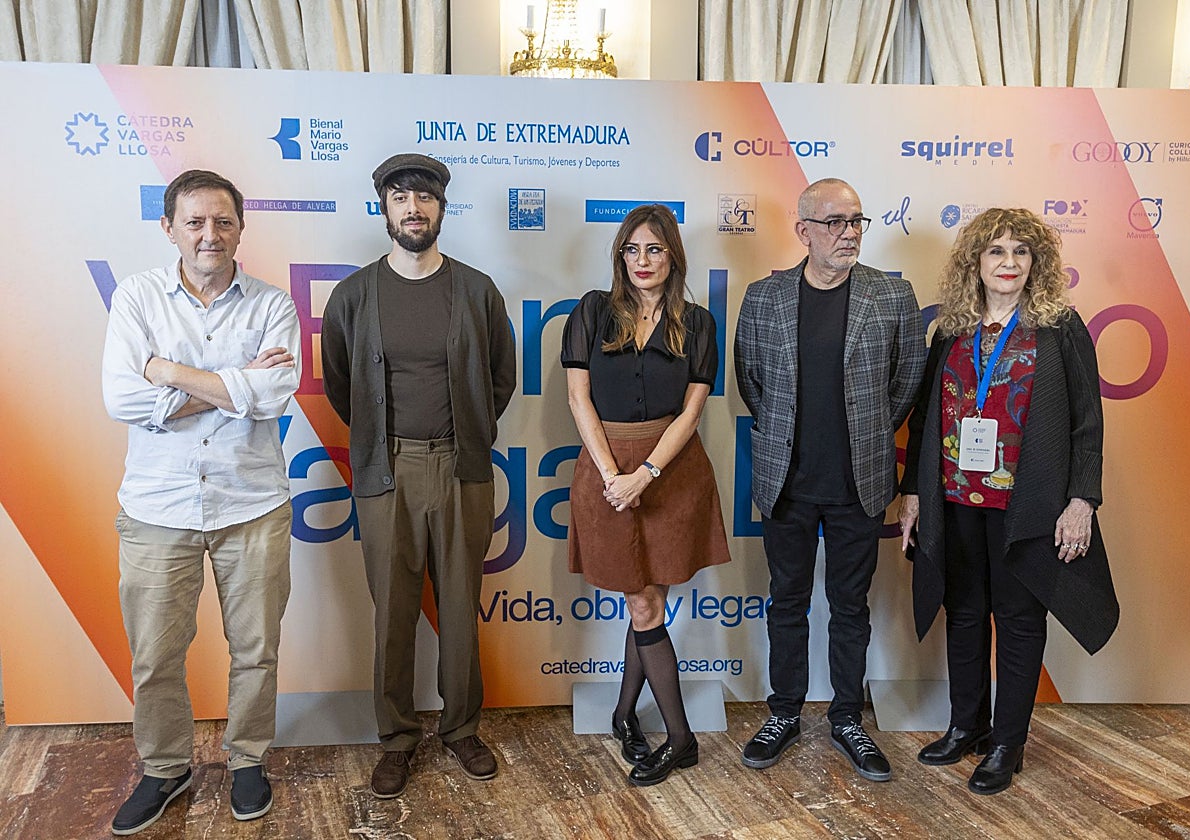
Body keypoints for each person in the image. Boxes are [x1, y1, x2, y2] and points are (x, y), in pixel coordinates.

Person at [101, 169, 301, 835]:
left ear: (241, 228)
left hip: (253, 506)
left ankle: (247, 760)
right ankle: (165, 768)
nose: (210, 234)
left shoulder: (273, 305)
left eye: (223, 221)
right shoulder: (136, 299)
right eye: (195, 222)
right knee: (155, 655)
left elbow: (273, 397)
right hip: (159, 510)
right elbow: (120, 399)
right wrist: (231, 385)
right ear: (169, 228)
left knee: (256, 647)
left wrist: (169, 373)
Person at [898, 207, 1118, 795]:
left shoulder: (1060, 326)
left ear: (1036, 264)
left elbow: (1086, 425)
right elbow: (923, 421)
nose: (1009, 262)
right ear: (976, 261)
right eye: (997, 251)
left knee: (1018, 622)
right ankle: (965, 726)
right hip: (956, 499)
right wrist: (914, 494)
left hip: (1028, 506)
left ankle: (1005, 744)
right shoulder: (950, 330)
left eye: (1022, 252)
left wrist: (1082, 501)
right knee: (964, 613)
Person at [321, 153, 516, 799]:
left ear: (441, 208)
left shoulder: (477, 289)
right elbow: (345, 384)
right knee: (393, 613)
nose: (414, 208)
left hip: (462, 468)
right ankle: (397, 739)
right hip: (387, 470)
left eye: (425, 197)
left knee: (461, 608)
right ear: (384, 208)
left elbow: (501, 378)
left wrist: (468, 433)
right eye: (401, 197)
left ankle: (461, 730)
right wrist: (386, 444)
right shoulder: (354, 295)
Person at [733, 178, 924, 782]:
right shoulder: (764, 298)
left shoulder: (891, 297)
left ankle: (847, 718)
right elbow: (751, 382)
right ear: (804, 231)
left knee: (850, 607)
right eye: (836, 222)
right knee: (785, 603)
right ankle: (783, 712)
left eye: (857, 221)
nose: (849, 233)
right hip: (786, 483)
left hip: (859, 485)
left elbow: (907, 381)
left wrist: (870, 433)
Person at [561, 203, 731, 787]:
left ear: (673, 256)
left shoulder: (700, 323)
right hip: (607, 473)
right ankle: (677, 737)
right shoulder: (591, 311)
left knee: (647, 600)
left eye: (654, 249)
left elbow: (692, 412)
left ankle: (631, 717)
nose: (642, 260)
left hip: (672, 472)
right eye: (632, 249)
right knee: (643, 602)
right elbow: (579, 399)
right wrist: (614, 476)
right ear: (619, 257)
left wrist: (646, 474)